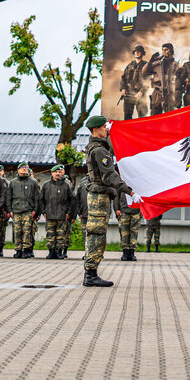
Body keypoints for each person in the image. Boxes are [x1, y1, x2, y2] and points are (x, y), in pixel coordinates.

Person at [82, 116, 121, 287]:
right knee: (96, 235)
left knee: (97, 234)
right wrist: (128, 190)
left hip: (100, 197)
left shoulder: (98, 148)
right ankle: (90, 275)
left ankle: (91, 273)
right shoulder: (98, 150)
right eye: (105, 127)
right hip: (99, 198)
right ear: (96, 129)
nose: (107, 129)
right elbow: (109, 175)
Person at [6, 163, 43, 258]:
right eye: (22, 168)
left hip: (28, 210)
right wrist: (10, 210)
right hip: (16, 210)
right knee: (17, 231)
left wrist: (35, 210)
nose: (24, 169)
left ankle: (26, 249)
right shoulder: (13, 182)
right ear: (18, 170)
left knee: (27, 231)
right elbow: (9, 197)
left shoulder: (33, 182)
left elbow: (37, 198)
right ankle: (18, 249)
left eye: (26, 168)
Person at [41, 165, 74, 259]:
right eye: (56, 172)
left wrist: (68, 212)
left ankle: (59, 252)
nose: (58, 174)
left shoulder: (66, 185)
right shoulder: (46, 185)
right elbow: (41, 199)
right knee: (50, 234)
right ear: (52, 173)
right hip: (50, 214)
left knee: (61, 235)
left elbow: (71, 200)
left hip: (62, 214)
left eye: (59, 172)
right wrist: (44, 211)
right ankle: (51, 252)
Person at [145, 43, 178, 116]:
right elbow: (144, 72)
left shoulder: (176, 65)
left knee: (170, 118)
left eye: (166, 50)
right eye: (163, 50)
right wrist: (151, 61)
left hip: (170, 95)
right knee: (155, 118)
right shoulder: (157, 64)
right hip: (157, 95)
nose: (164, 52)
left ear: (171, 51)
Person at [120, 45, 149, 120]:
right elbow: (123, 78)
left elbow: (148, 80)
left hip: (140, 94)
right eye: (135, 52)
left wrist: (142, 92)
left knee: (142, 116)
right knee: (127, 116)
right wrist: (123, 88)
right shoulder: (130, 66)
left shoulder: (146, 66)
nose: (136, 53)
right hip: (129, 94)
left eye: (138, 52)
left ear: (142, 53)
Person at [116, 184, 141, 261]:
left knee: (134, 232)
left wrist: (143, 209)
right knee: (124, 232)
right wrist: (117, 209)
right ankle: (125, 253)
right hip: (124, 211)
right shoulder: (122, 181)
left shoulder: (139, 182)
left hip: (136, 211)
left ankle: (132, 253)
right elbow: (117, 196)